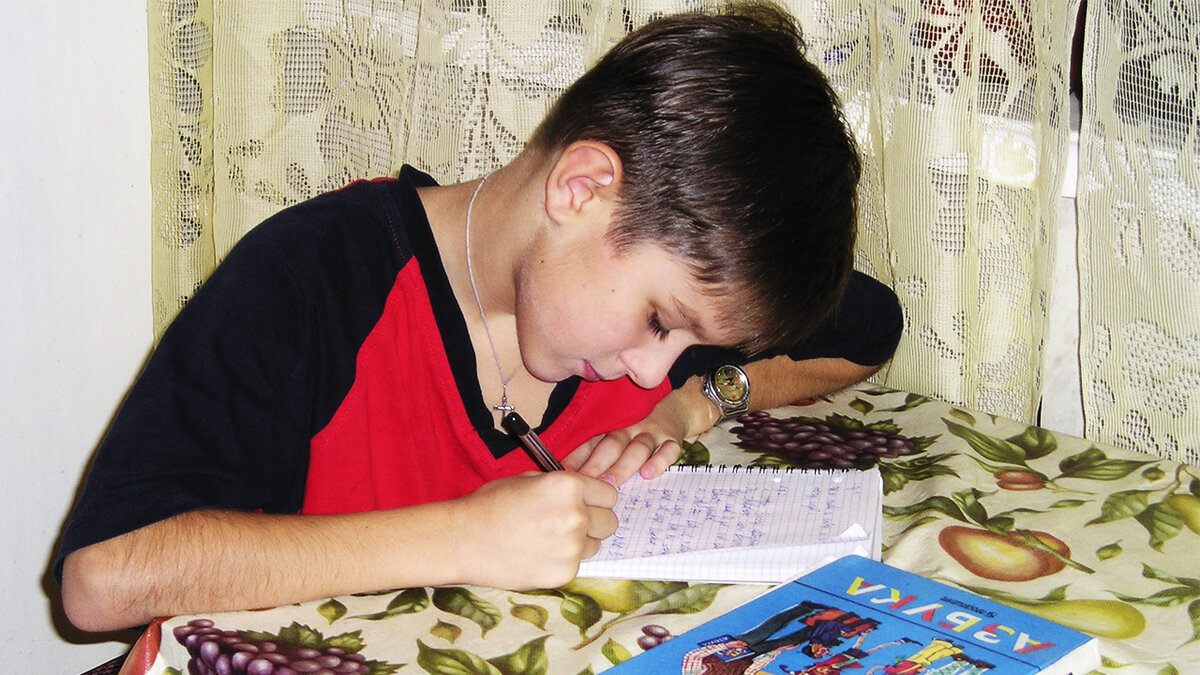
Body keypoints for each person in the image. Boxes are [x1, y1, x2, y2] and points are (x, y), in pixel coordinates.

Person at [56, 1, 903, 632]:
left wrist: (695, 401)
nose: (654, 365)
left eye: (693, 343)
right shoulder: (316, 276)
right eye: (658, 321)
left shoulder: (663, 317)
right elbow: (104, 577)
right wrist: (462, 538)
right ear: (582, 189)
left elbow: (871, 332)